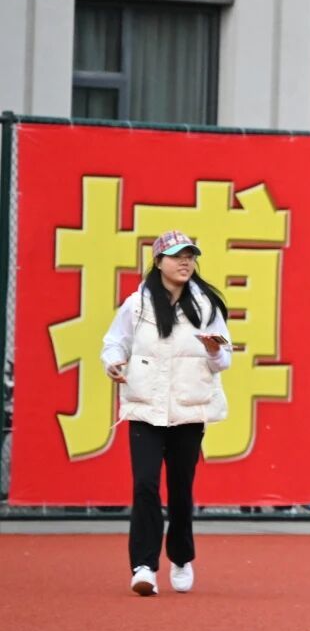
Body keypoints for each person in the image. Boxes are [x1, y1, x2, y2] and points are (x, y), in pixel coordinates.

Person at [101, 230, 232, 596]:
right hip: (145, 408)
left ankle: (181, 557)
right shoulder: (136, 305)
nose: (185, 262)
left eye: (190, 255)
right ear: (158, 261)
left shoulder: (207, 307)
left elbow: (224, 359)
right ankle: (143, 566)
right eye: (176, 256)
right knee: (144, 485)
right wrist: (113, 363)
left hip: (188, 411)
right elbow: (114, 343)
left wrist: (213, 350)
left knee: (180, 488)